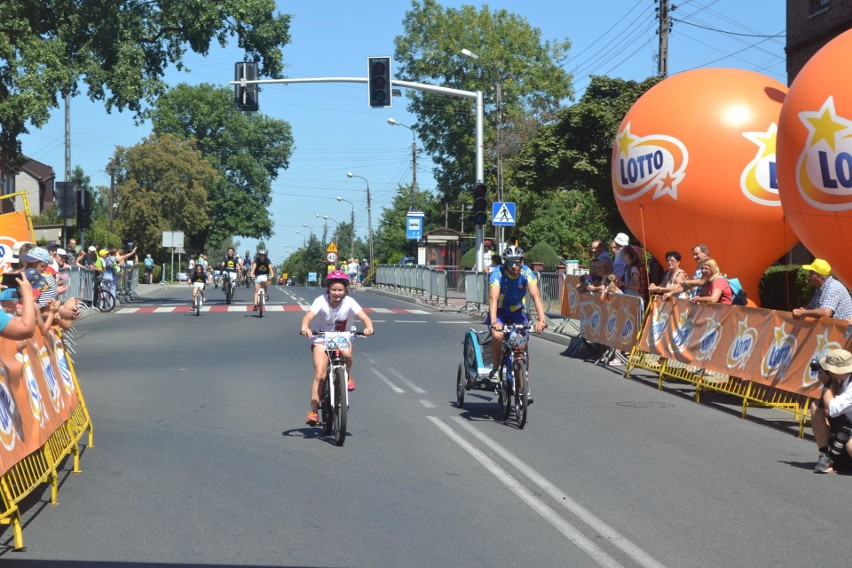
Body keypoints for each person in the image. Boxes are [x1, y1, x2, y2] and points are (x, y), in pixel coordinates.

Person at [300, 270, 375, 426]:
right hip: (321, 337)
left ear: (345, 290)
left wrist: (368, 327)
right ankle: (313, 412)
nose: (337, 293)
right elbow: (308, 316)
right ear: (328, 289)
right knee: (320, 374)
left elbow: (365, 317)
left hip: (341, 338)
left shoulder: (350, 302)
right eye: (334, 289)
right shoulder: (320, 300)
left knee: (347, 354)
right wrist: (305, 327)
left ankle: (347, 376)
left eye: (340, 290)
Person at [486, 246, 547, 391]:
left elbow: (536, 296)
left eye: (517, 262)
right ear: (504, 263)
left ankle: (523, 379)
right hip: (499, 312)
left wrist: (541, 320)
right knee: (498, 335)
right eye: (510, 263)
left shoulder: (527, 272)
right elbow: (493, 298)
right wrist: (494, 321)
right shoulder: (497, 273)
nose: (514, 266)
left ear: (522, 261)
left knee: (522, 342)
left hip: (517, 312)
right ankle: (496, 369)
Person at [810, 349, 852, 473]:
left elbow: (832, 409)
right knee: (816, 406)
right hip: (846, 424)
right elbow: (828, 406)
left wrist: (827, 383)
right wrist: (832, 382)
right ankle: (824, 455)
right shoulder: (842, 379)